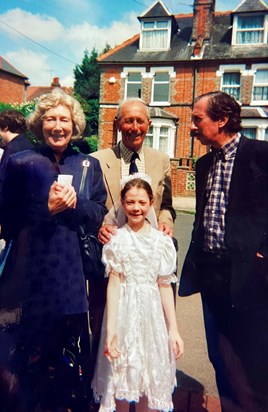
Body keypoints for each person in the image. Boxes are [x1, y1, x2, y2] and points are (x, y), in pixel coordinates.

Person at [0, 91, 107, 412]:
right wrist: (45, 209)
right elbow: (6, 217)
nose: (58, 126)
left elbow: (99, 211)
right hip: (29, 276)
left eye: (64, 119)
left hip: (71, 276)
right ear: (39, 124)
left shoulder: (87, 164)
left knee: (66, 360)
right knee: (27, 360)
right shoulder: (20, 162)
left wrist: (73, 206)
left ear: (74, 125)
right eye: (50, 119)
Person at [179, 91, 268, 412]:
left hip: (250, 279)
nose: (191, 126)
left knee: (254, 365)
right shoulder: (204, 164)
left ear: (222, 119)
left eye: (197, 118)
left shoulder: (260, 155)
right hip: (211, 278)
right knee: (221, 358)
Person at [90, 97, 177, 390]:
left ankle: (141, 387)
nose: (135, 127)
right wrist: (101, 226)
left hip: (148, 256)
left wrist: (166, 220)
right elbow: (91, 206)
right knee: (106, 325)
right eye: (128, 120)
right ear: (117, 125)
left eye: (140, 121)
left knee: (147, 328)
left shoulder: (161, 160)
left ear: (149, 125)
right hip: (113, 254)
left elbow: (166, 204)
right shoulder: (98, 159)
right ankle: (107, 388)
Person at [92, 174, 184, 412]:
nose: (136, 208)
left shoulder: (161, 243)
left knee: (148, 376)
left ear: (151, 203)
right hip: (123, 314)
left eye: (142, 202)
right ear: (122, 203)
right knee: (122, 374)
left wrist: (173, 329)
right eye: (130, 202)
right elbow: (113, 285)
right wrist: (111, 330)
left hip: (151, 317)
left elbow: (164, 286)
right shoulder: (118, 240)